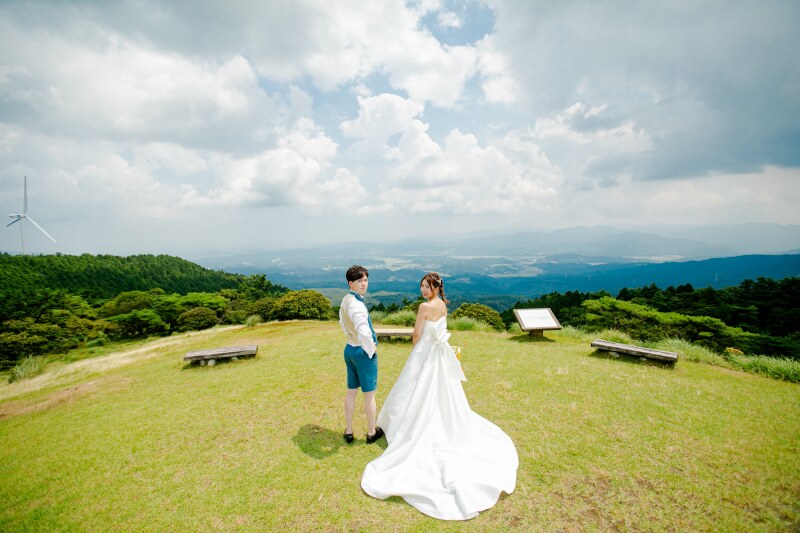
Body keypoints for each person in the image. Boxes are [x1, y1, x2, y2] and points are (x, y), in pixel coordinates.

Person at [361, 273, 518, 520]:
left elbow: (417, 334)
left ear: (436, 287)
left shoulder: (424, 307)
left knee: (414, 389)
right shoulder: (443, 306)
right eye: (422, 286)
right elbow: (441, 328)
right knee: (441, 393)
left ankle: (404, 425)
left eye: (427, 286)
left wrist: (416, 353)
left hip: (426, 352)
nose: (423, 290)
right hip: (439, 355)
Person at [339, 265, 385, 444]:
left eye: (365, 280)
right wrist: (371, 349)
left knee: (351, 392)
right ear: (351, 283)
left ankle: (349, 431)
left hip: (349, 349)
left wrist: (351, 337)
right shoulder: (357, 305)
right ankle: (371, 432)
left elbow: (342, 323)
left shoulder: (345, 300)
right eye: (359, 281)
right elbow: (364, 331)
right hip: (361, 351)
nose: (364, 284)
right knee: (369, 395)